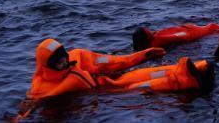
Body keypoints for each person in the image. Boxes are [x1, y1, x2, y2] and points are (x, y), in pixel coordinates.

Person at [26, 38, 166, 99]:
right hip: (103, 88)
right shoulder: (41, 89)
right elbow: (30, 106)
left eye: (64, 58)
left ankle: (145, 55)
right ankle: (179, 75)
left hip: (96, 78)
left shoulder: (77, 57)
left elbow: (111, 61)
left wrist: (141, 56)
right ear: (47, 66)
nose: (63, 64)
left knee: (116, 62)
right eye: (58, 62)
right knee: (132, 86)